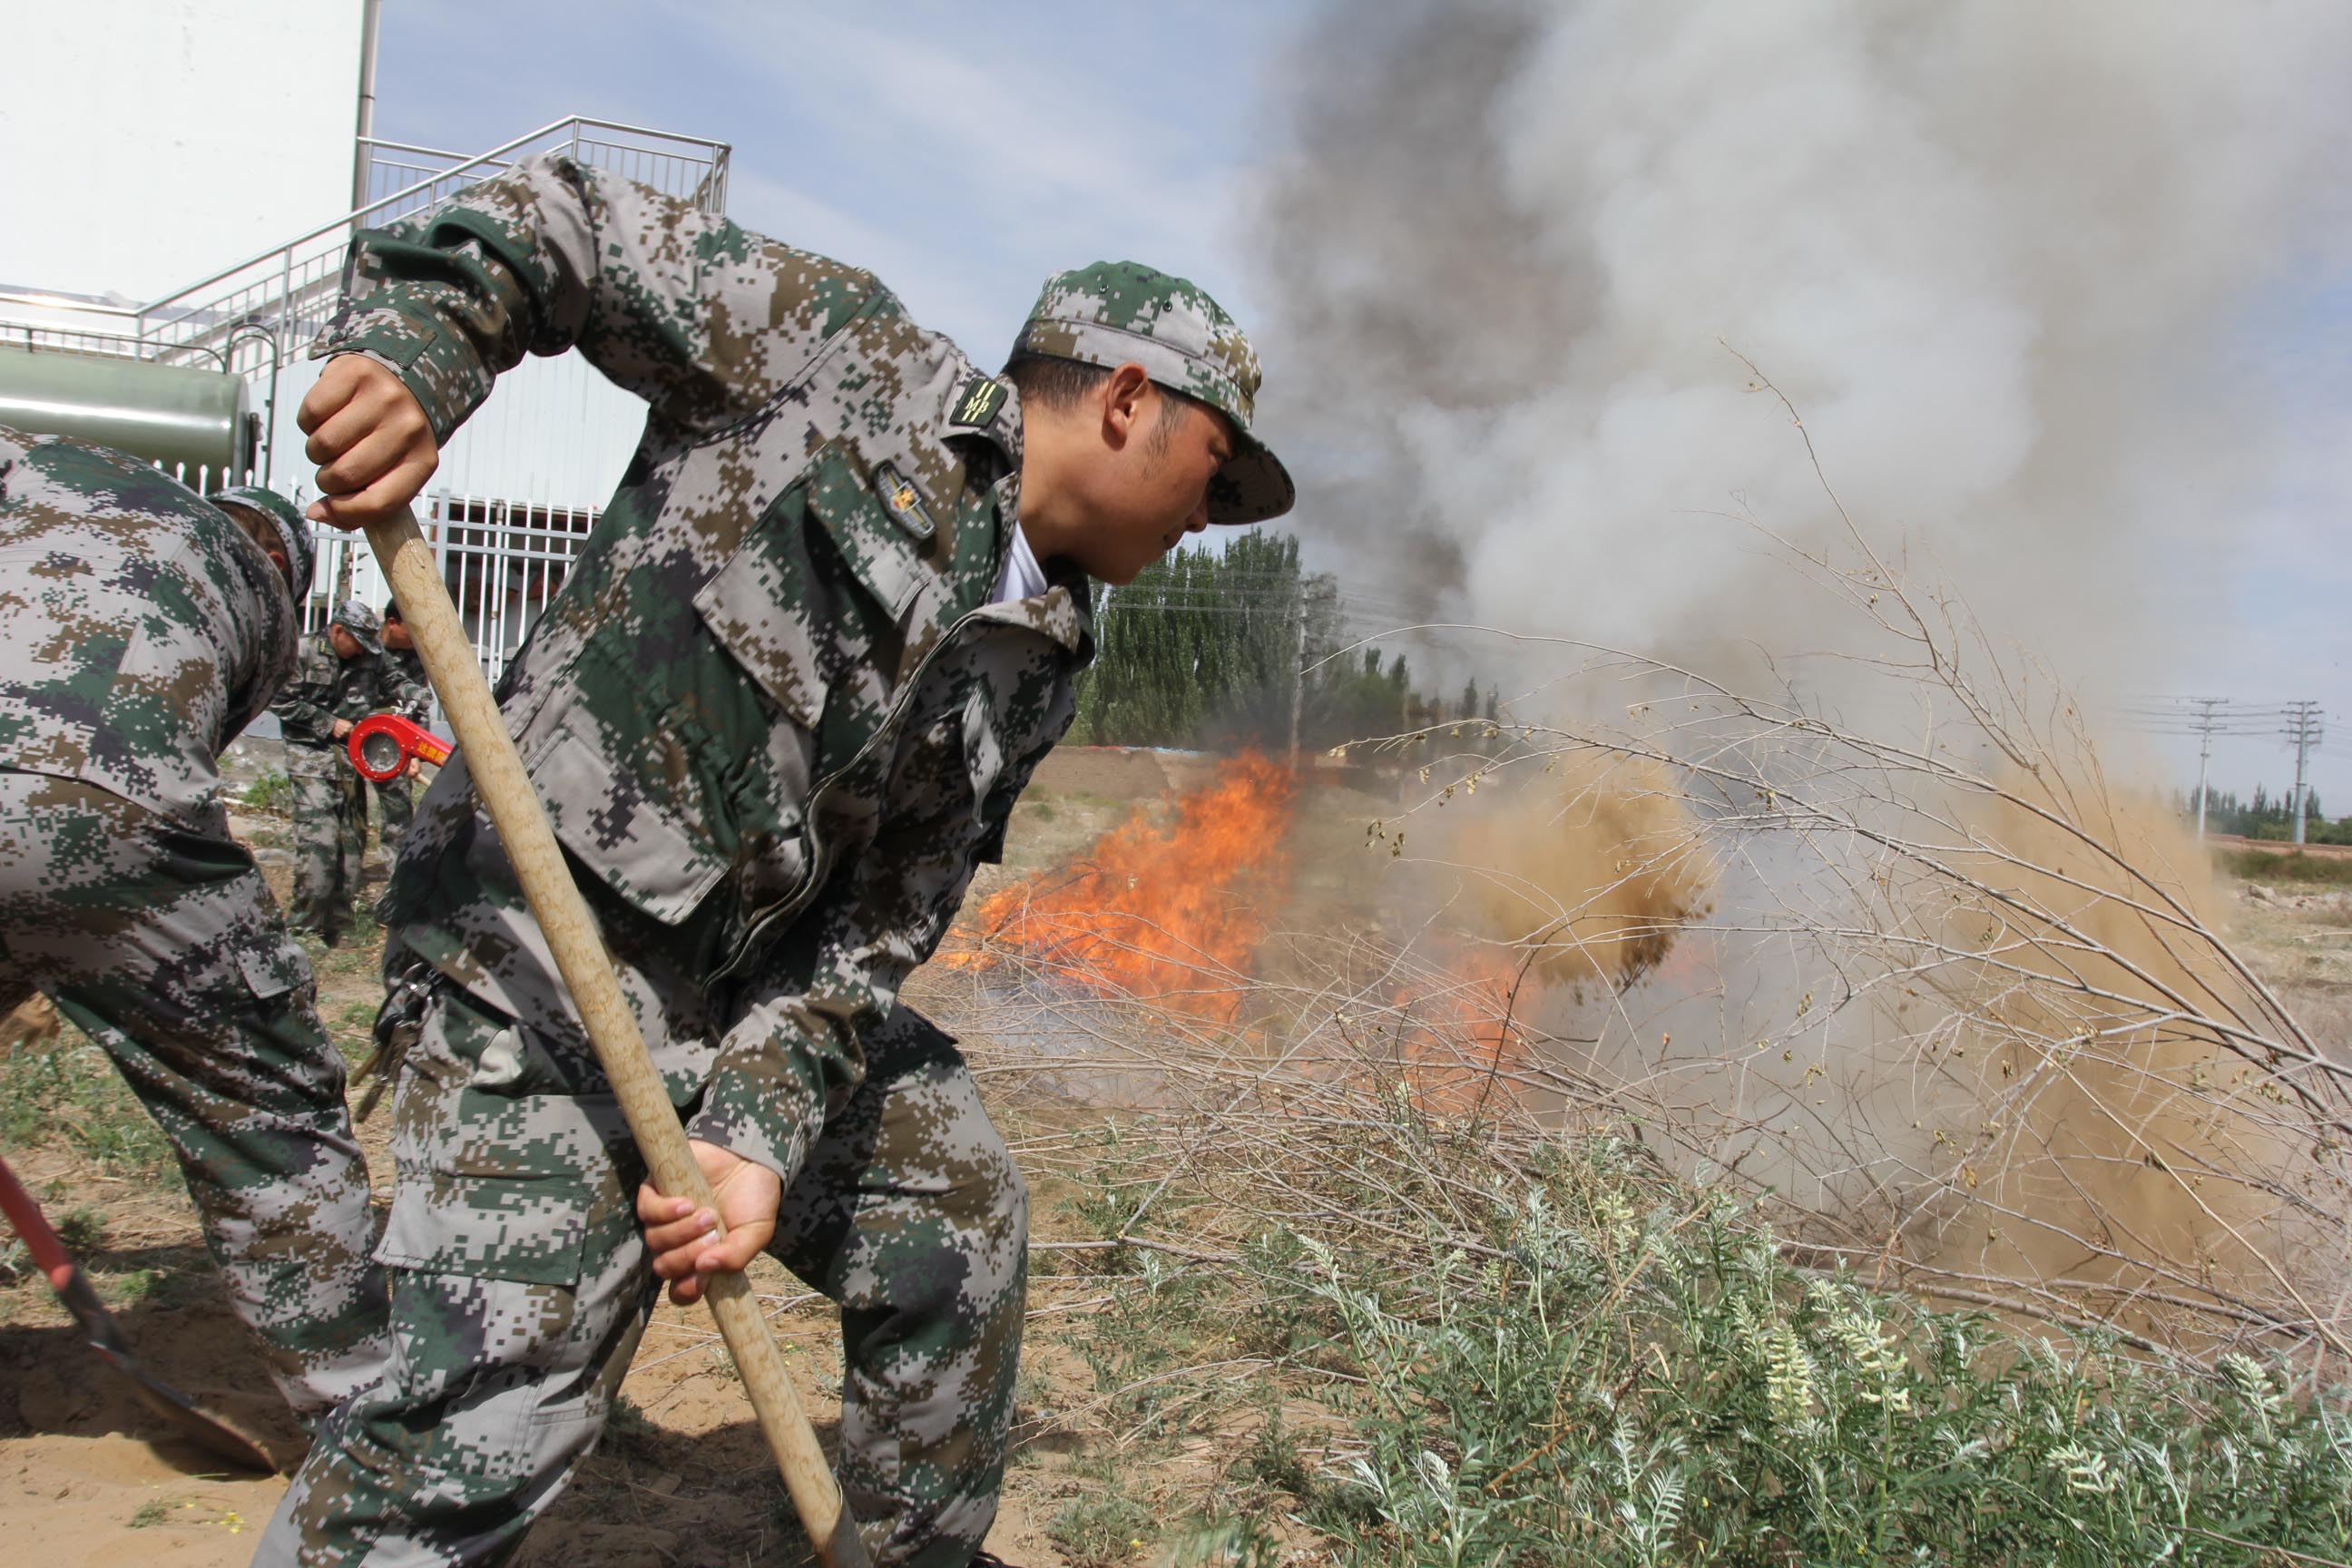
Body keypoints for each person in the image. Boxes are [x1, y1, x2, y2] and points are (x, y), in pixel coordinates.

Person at [265, 151, 1291, 1568]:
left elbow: (876, 929)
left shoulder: (1042, 661)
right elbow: (569, 220)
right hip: (539, 941)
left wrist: (752, 1126)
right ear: (1127, 401)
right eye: (1215, 466)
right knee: (497, 1407)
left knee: (953, 1211)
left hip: (742, 1003)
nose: (1208, 514)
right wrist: (417, 354)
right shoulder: (844, 364)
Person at [0, 426, 390, 1419]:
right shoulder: (257, 598)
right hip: (97, 814)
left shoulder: (45, 457)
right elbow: (117, 810)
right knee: (269, 1109)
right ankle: (363, 1426)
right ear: (281, 565)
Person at [272, 599, 425, 946]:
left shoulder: (369, 654)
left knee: (352, 843)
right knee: (320, 842)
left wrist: (419, 696)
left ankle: (338, 923)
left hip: (354, 756)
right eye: (356, 643)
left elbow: (396, 681)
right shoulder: (302, 652)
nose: (362, 653)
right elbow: (280, 700)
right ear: (338, 631)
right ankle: (304, 927)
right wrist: (328, 723)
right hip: (311, 757)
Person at [370, 602, 427, 856]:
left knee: (399, 811)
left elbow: (416, 708)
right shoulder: (362, 644)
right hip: (349, 733)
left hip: (391, 741)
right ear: (392, 623)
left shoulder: (415, 655)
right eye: (410, 630)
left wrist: (413, 752)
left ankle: (396, 876)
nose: (416, 637)